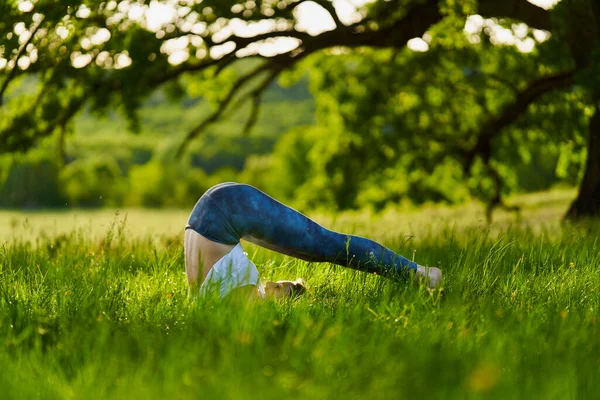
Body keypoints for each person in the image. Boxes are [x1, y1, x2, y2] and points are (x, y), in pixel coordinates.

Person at [184, 182, 442, 300]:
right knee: (321, 249)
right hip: (213, 213)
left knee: (325, 246)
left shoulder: (239, 306)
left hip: (224, 209)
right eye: (283, 286)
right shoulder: (230, 303)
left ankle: (420, 275)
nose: (273, 282)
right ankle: (417, 275)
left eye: (280, 286)